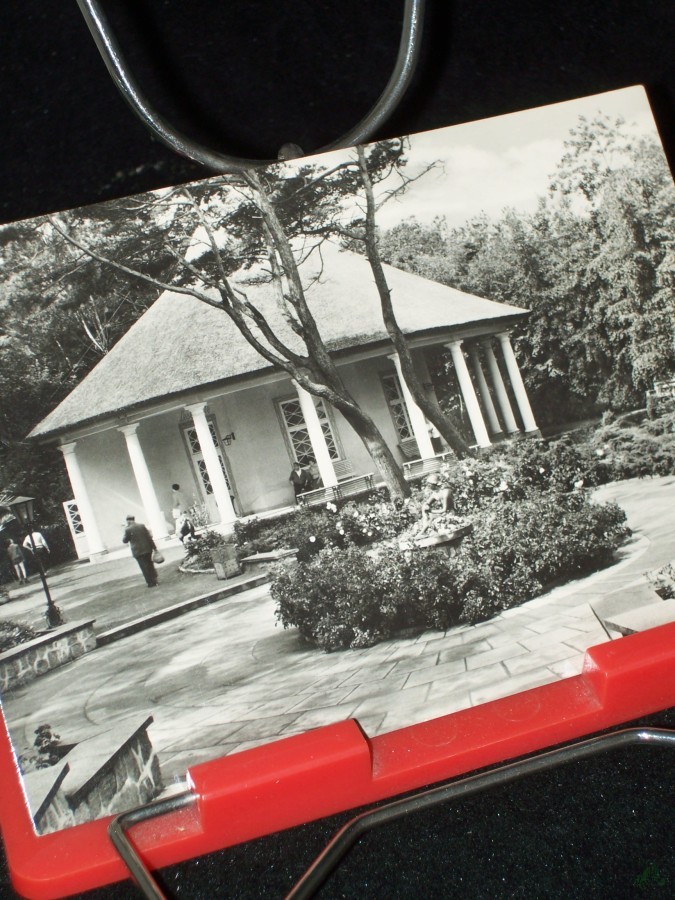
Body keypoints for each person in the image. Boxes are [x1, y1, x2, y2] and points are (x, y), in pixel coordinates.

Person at [122, 515, 158, 587]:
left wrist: (124, 530)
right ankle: (154, 580)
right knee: (150, 565)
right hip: (147, 549)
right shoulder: (142, 526)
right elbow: (149, 537)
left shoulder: (127, 529)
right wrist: (154, 548)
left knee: (144, 567)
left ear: (128, 520)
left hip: (137, 551)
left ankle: (150, 583)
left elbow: (125, 541)